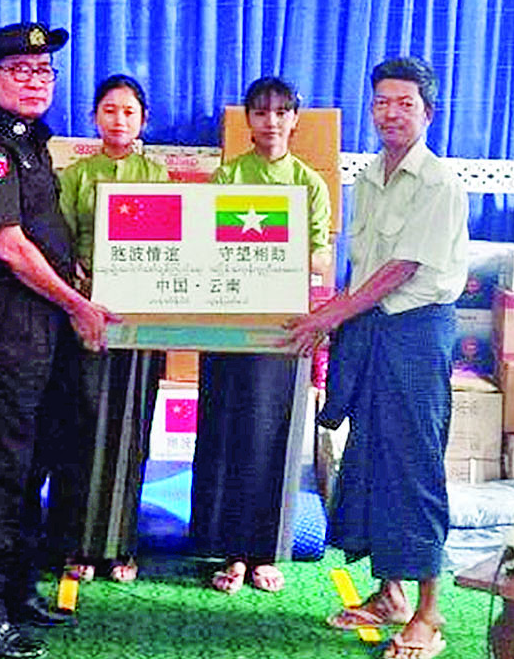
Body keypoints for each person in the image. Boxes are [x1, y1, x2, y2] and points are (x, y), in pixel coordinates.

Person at [0, 22, 121, 659]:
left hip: (42, 325)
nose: (35, 81)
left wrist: (78, 284)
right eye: (19, 71)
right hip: (5, 324)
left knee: (32, 464)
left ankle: (16, 592)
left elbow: (46, 239)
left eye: (43, 71)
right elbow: (11, 248)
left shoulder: (33, 146)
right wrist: (78, 304)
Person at [285, 56, 468, 659]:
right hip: (371, 330)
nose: (391, 114)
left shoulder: (439, 183)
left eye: (404, 103)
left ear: (428, 112)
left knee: (415, 465)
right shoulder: (367, 178)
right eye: (382, 102)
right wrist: (334, 314)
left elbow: (401, 269)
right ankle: (389, 594)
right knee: (369, 459)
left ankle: (429, 614)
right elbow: (362, 267)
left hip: (416, 332)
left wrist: (330, 316)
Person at [190, 76, 332, 595]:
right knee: (226, 433)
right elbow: (204, 245)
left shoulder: (309, 184)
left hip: (284, 330)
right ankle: (228, 551)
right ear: (247, 121)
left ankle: (264, 553)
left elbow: (321, 260)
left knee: (275, 437)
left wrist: (277, 260)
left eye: (281, 112)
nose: (271, 121)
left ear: (295, 119)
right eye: (261, 112)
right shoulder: (227, 177)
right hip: (229, 325)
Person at [49, 74, 170, 584]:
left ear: (143, 120)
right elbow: (60, 245)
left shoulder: (158, 175)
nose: (119, 119)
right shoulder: (76, 176)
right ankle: (75, 545)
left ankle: (121, 548)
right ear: (94, 117)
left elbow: (171, 245)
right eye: (109, 110)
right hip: (88, 315)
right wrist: (81, 292)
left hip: (143, 318)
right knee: (80, 426)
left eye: (129, 111)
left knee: (129, 429)